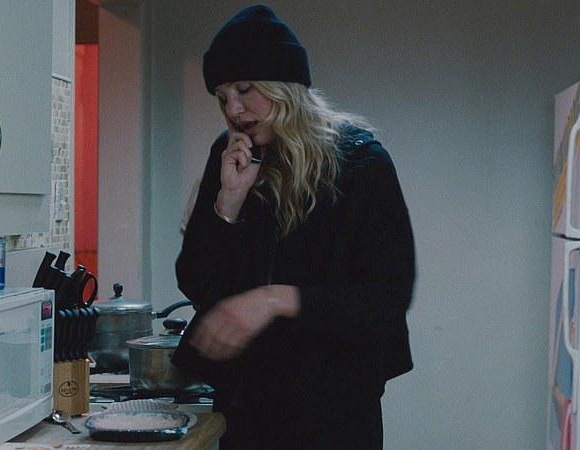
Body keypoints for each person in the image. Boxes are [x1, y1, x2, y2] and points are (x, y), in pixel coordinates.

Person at [171, 5, 416, 449]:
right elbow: (196, 282)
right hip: (247, 409)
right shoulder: (231, 156)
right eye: (222, 97)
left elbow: (386, 301)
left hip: (336, 413)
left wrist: (274, 300)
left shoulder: (361, 164)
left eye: (245, 89)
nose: (233, 109)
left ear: (285, 86)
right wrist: (228, 203)